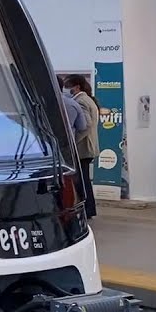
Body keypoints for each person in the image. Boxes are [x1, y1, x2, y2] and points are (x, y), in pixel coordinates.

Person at [63, 74, 100, 219]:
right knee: (84, 179)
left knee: (82, 180)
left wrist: (72, 141)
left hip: (83, 147)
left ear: (76, 86)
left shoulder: (81, 101)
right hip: (88, 147)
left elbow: (86, 126)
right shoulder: (87, 99)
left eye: (68, 86)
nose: (66, 89)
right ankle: (89, 208)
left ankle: (87, 208)